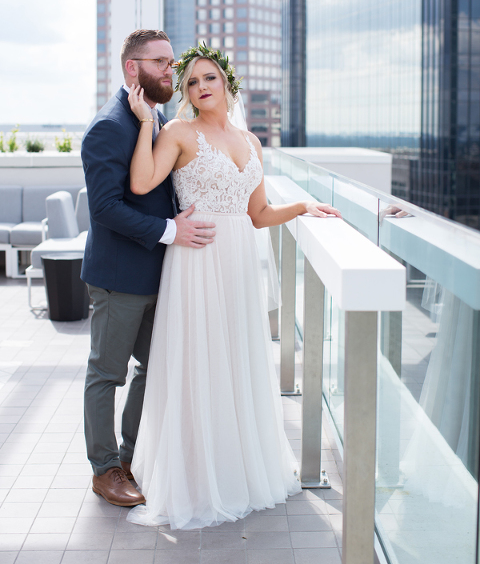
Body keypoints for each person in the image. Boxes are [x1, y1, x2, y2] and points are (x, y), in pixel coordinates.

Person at [126, 43, 342, 529]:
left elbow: (259, 214)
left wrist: (304, 207)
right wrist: (146, 122)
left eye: (209, 78)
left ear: (227, 83)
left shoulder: (252, 141)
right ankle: (197, 478)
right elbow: (141, 183)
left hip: (239, 264)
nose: (201, 88)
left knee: (237, 359)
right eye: (192, 82)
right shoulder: (179, 131)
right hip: (197, 260)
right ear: (186, 92)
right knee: (199, 361)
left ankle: (237, 467)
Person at [81, 30, 215, 507]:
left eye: (172, 61)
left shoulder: (157, 117)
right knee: (107, 374)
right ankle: (105, 470)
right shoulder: (108, 127)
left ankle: (132, 457)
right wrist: (169, 231)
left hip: (161, 275)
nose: (171, 70)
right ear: (132, 69)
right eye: (161, 62)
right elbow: (105, 209)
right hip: (120, 278)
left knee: (154, 368)